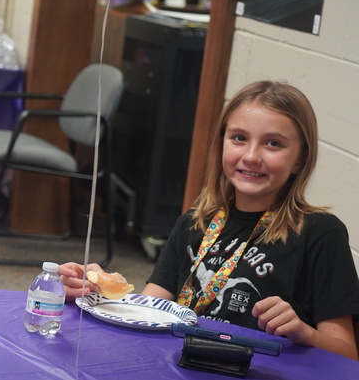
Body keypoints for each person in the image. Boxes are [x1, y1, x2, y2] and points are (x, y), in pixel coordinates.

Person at [60, 81, 359, 360]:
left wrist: (303, 333)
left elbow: (347, 352)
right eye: (239, 138)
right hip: (185, 368)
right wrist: (100, 294)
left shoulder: (320, 232)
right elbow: (149, 308)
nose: (252, 156)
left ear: (299, 160)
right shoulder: (195, 222)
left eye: (273, 144)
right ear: (222, 145)